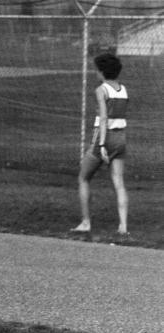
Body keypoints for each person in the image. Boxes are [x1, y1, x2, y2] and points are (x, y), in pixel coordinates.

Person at [72, 52, 129, 236]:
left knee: (83, 177)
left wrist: (102, 144)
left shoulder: (101, 89)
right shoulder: (123, 89)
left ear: (103, 71)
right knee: (118, 182)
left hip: (104, 138)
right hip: (121, 138)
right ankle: (123, 227)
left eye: (97, 69)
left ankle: (86, 222)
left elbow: (104, 117)